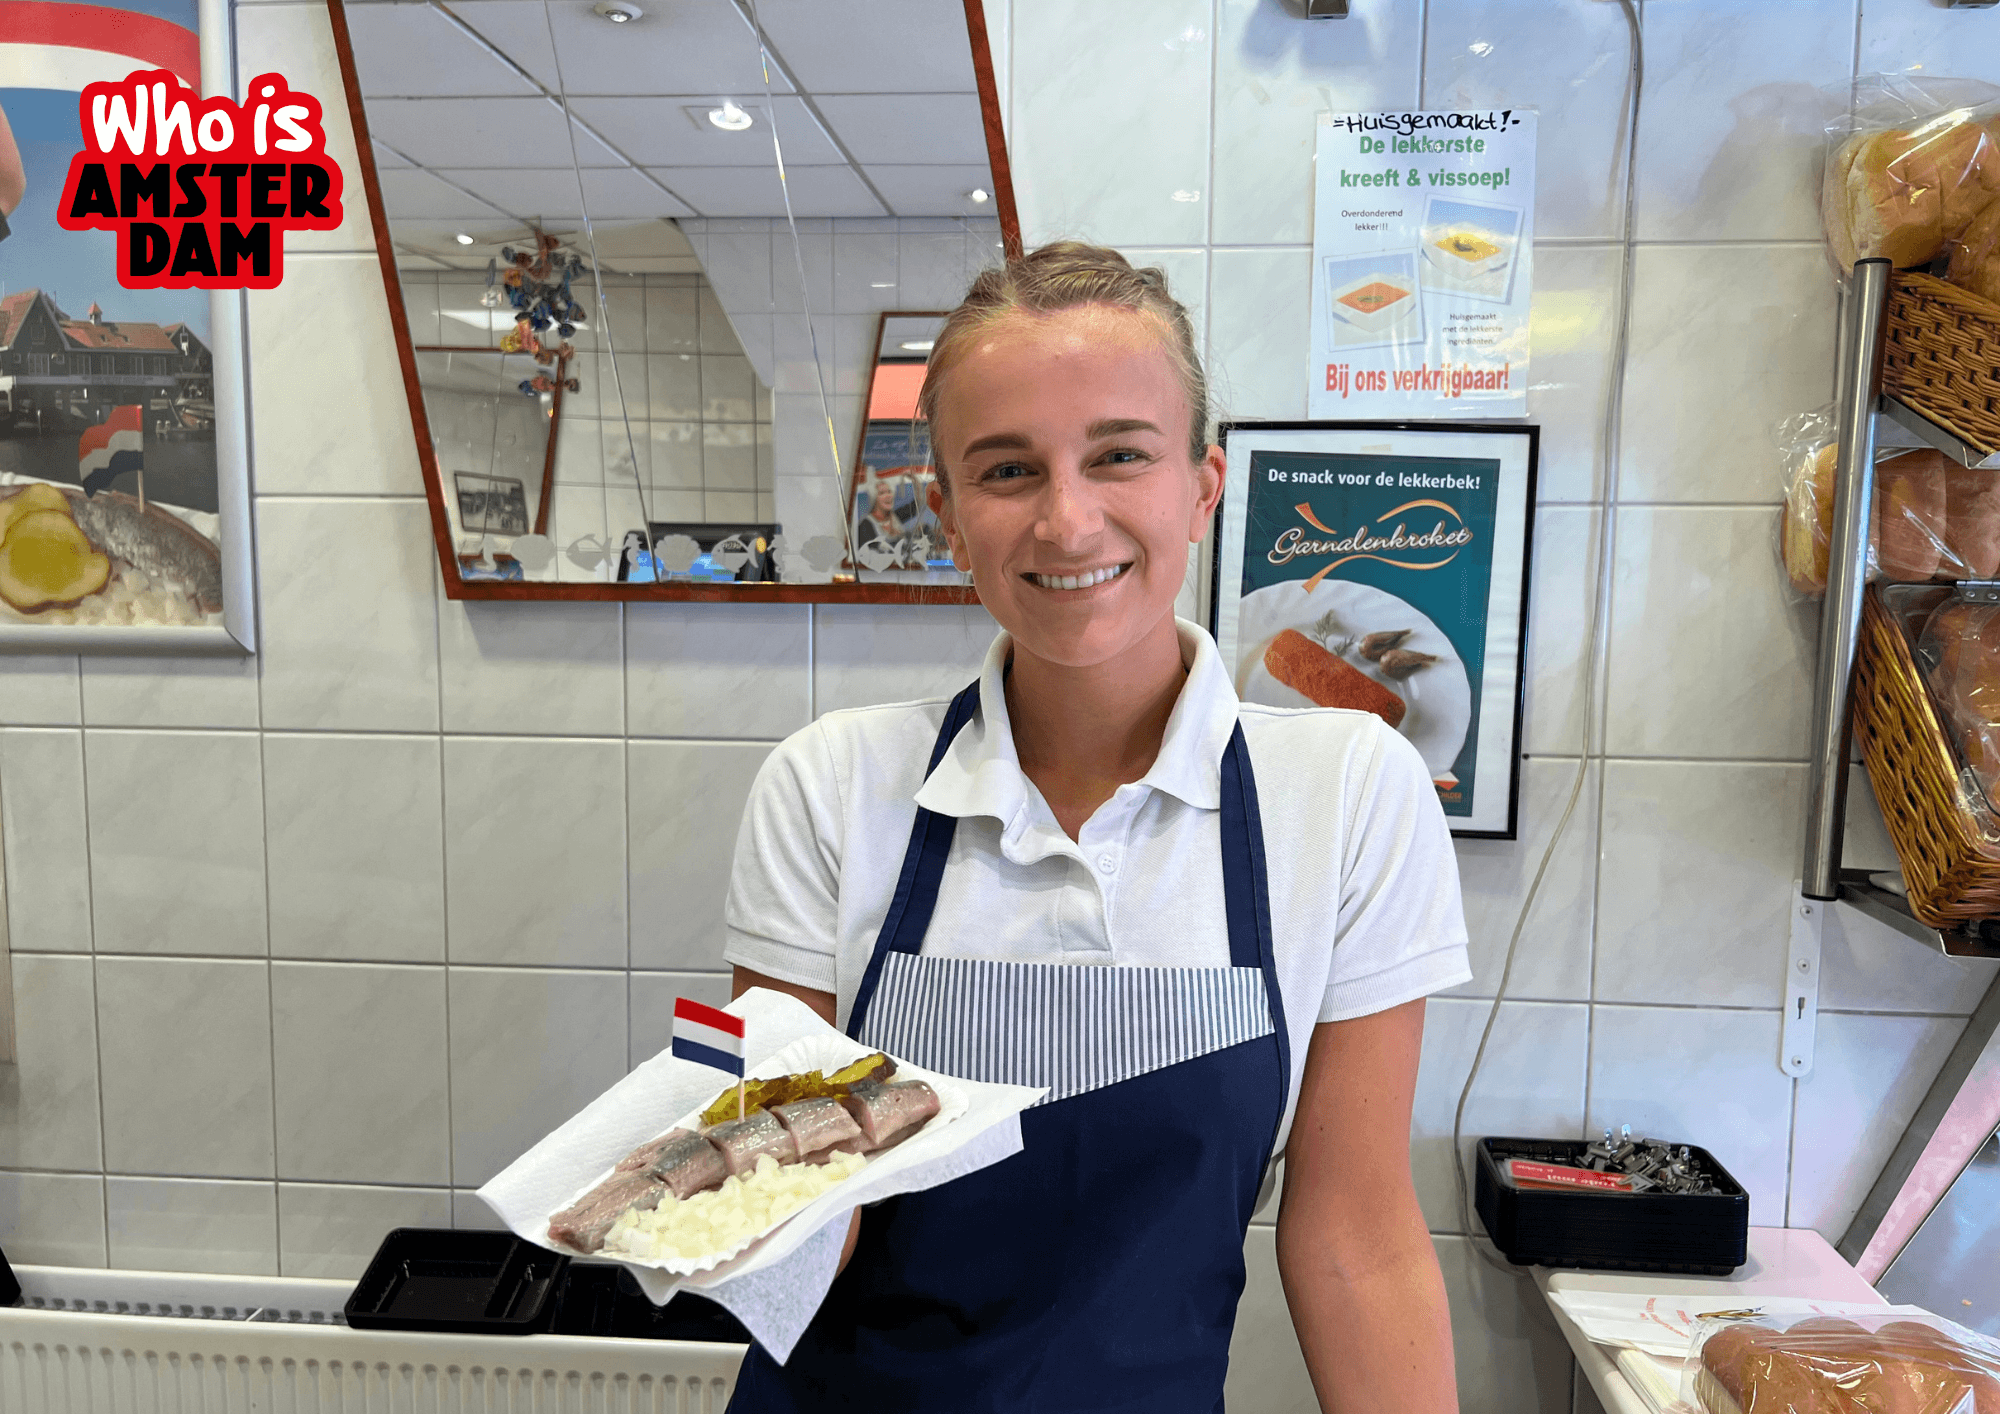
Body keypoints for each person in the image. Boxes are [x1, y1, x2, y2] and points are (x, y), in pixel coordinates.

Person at [723, 241, 1468, 1413]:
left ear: (1201, 487)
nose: (1067, 522)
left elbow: (1354, 1235)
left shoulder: (1349, 793)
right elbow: (803, 1219)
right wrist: (709, 1195)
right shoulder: (830, 784)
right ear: (946, 515)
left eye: (1119, 454)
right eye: (1007, 470)